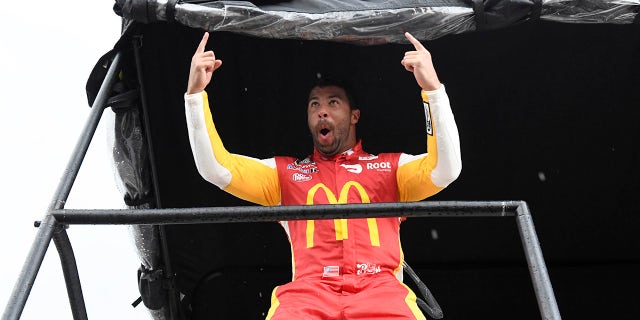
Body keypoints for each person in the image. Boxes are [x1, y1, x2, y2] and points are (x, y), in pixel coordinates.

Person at [184, 31, 461, 320]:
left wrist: (433, 90)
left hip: (382, 292)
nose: (322, 112)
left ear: (354, 116)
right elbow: (215, 168)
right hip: (307, 295)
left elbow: (446, 170)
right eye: (314, 104)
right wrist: (194, 96)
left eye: (333, 103)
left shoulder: (391, 168)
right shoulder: (284, 174)